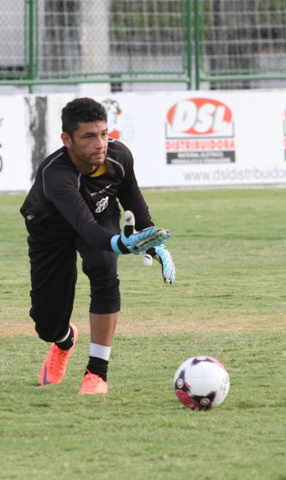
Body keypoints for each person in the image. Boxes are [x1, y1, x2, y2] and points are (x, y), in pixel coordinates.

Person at [20, 97, 174, 395]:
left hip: (100, 219)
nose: (100, 144)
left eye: (103, 133)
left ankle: (96, 374)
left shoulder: (119, 156)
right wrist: (120, 243)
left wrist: (152, 240)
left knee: (103, 270)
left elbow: (132, 199)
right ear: (67, 139)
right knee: (46, 324)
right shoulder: (55, 173)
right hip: (51, 231)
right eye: (88, 137)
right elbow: (84, 225)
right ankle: (64, 340)